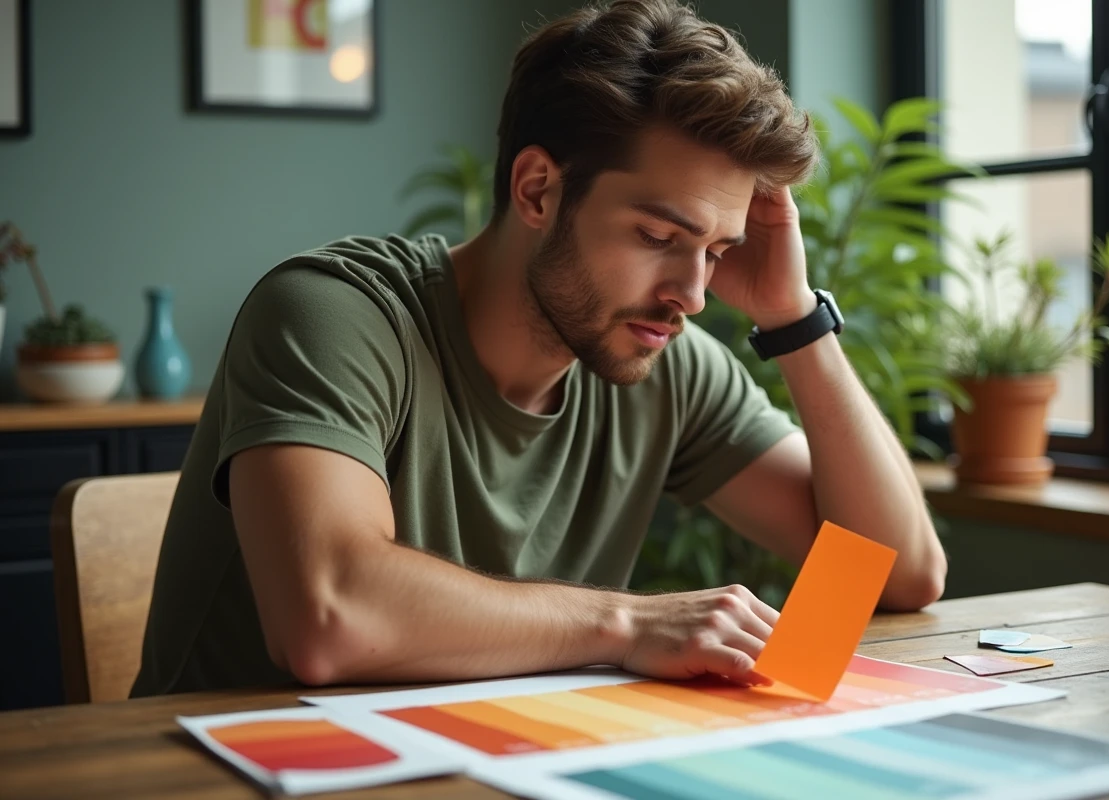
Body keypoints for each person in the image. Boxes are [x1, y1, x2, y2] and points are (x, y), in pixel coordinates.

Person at [131, 0, 946, 698]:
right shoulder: (334, 315)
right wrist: (626, 620)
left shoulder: (663, 359)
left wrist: (794, 320)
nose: (693, 293)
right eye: (661, 235)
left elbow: (895, 571)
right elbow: (329, 619)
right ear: (536, 189)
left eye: (719, 250)